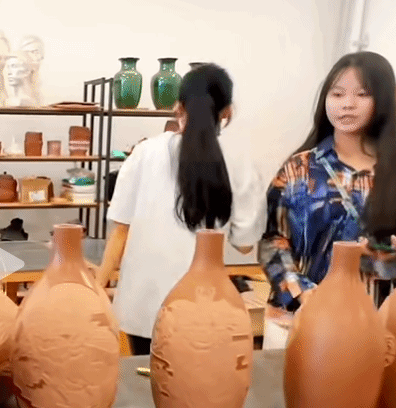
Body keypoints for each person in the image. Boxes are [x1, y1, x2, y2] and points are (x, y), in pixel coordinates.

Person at [95, 64, 265, 355]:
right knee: (192, 378)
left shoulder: (145, 152)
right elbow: (246, 245)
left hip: (142, 303)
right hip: (203, 302)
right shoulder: (241, 162)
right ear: (227, 112)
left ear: (178, 107)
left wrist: (96, 291)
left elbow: (120, 232)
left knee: (146, 375)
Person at [260, 51, 396, 321]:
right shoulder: (298, 169)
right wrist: (303, 292)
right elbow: (272, 242)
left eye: (362, 94)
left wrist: (384, 260)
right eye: (337, 94)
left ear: (383, 100)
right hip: (300, 319)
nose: (347, 104)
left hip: (374, 322)